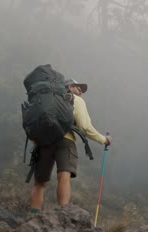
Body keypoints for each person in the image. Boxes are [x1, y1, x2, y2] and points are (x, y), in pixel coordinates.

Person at [29, 78, 112, 214]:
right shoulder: (75, 100)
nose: (81, 91)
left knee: (39, 182)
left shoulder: (45, 100)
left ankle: (34, 216)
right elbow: (85, 127)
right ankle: (63, 216)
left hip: (44, 143)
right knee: (64, 176)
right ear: (69, 86)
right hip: (66, 141)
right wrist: (104, 139)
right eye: (78, 87)